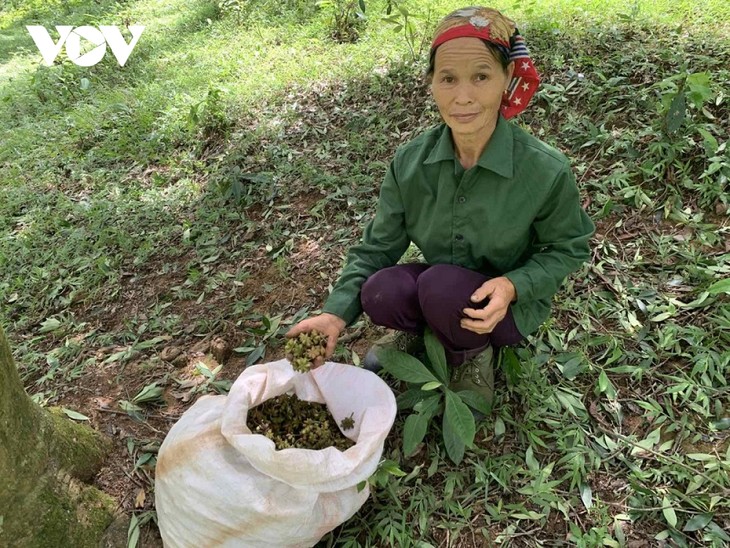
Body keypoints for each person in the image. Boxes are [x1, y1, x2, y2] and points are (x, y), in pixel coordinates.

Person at [286, 6, 595, 405]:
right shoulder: (411, 163)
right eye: (448, 78)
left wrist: (513, 286)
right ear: (432, 83)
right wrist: (335, 314)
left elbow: (568, 248)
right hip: (441, 290)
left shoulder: (544, 170)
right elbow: (378, 248)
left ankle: (472, 354)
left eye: (481, 76)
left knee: (439, 285)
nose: (462, 96)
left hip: (502, 312)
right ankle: (430, 334)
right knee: (381, 291)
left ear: (507, 79)